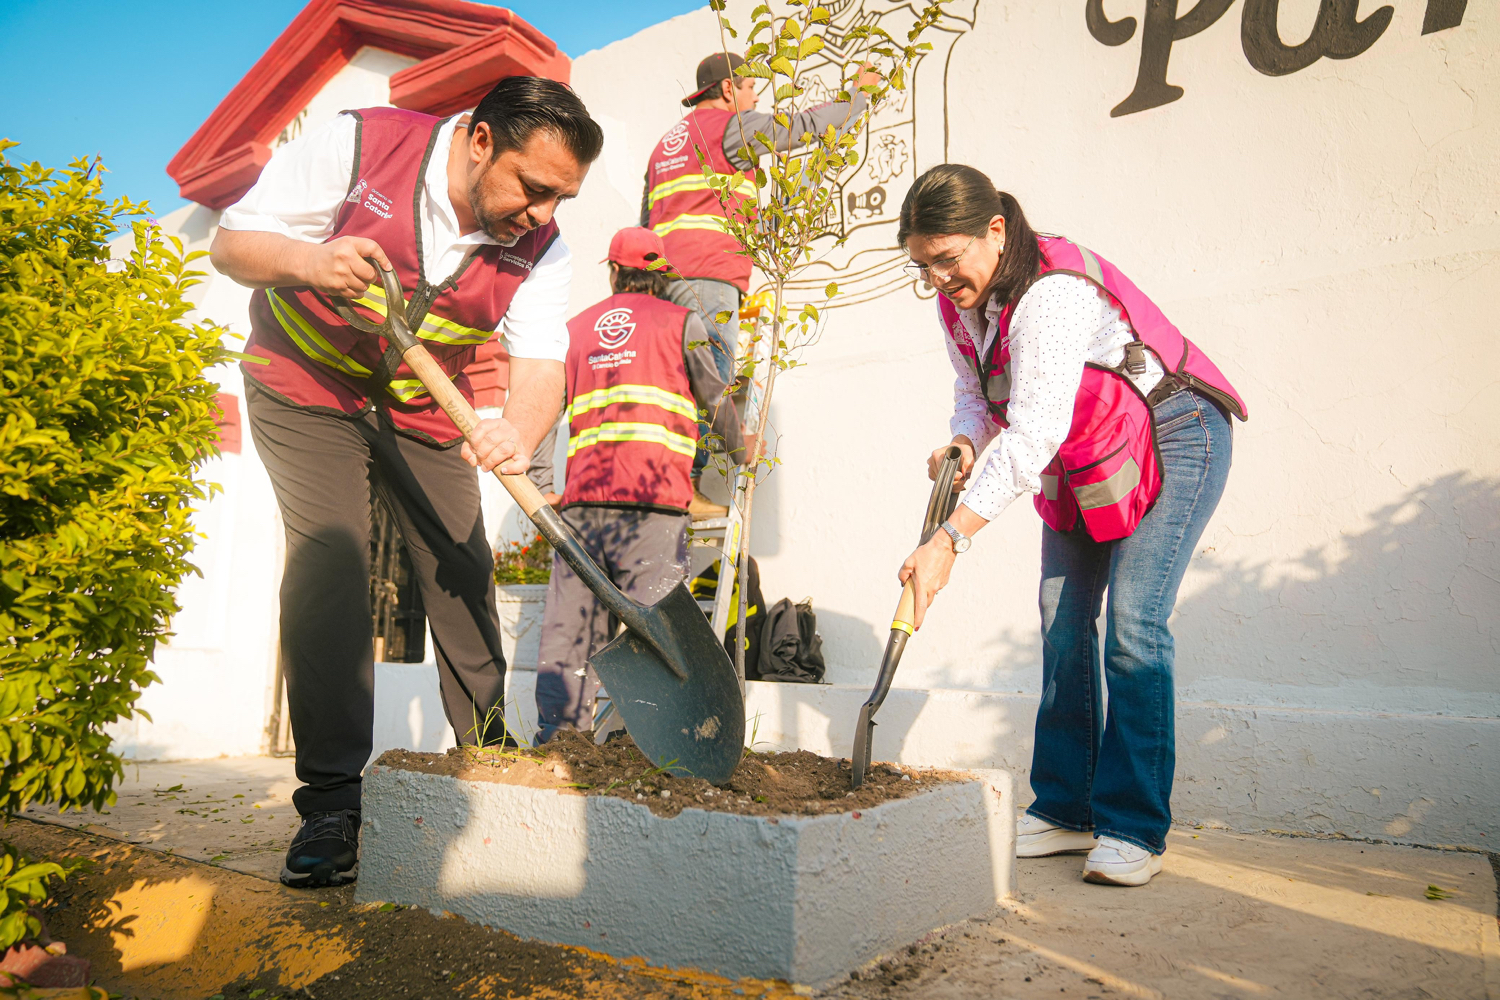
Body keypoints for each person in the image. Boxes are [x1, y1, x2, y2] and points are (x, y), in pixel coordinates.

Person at [209, 76, 603, 888]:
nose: (542, 214)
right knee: (333, 566)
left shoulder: (543, 246)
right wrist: (308, 259)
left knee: (461, 566)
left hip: (424, 404)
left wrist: (516, 432)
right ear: (482, 140)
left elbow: (538, 367)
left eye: (560, 199)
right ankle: (332, 803)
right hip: (305, 383)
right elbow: (232, 244)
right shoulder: (359, 144)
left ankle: (492, 758)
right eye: (534, 190)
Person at [894, 164, 1246, 887]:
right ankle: (1064, 808)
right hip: (1090, 445)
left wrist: (949, 539)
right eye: (923, 266)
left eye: (947, 259)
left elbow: (1030, 437)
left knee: (1135, 625)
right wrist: (963, 441)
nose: (938, 280)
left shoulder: (1050, 297)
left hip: (1175, 431)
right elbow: (977, 393)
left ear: (995, 231)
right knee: (1062, 612)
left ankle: (1132, 826)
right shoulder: (960, 300)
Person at [643, 51, 879, 515]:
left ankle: (666, 483)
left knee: (676, 383)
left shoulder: (665, 144)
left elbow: (644, 219)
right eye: (751, 88)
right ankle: (684, 488)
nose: (756, 98)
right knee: (709, 379)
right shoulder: (729, 127)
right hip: (708, 278)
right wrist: (859, 96)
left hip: (664, 281)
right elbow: (803, 128)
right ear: (729, 90)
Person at [534, 227, 746, 741]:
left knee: (570, 631)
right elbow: (715, 402)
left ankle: (560, 744)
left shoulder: (575, 331)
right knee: (654, 630)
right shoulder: (682, 324)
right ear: (661, 275)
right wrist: (741, 456)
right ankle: (641, 742)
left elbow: (540, 409)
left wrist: (541, 485)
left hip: (582, 508)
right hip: (654, 507)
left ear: (612, 272)